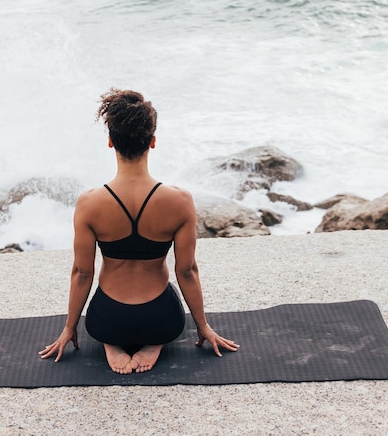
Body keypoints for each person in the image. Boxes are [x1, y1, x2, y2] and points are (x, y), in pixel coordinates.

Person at [39, 89, 239, 374]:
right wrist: (203, 327)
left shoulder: (90, 203)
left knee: (110, 326)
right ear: (153, 141)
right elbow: (187, 271)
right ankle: (153, 342)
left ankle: (112, 342)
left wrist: (69, 329)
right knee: (159, 318)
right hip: (161, 319)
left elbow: (82, 273)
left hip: (106, 319)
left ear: (110, 142)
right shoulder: (179, 201)